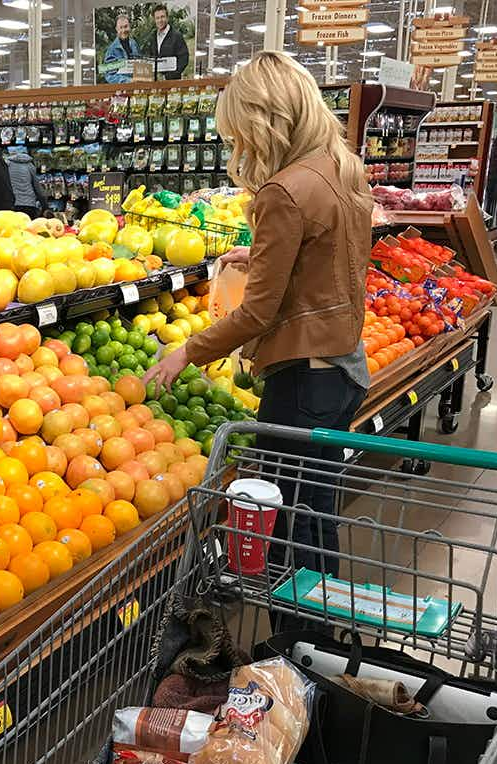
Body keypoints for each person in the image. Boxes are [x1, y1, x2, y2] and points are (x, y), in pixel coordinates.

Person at [144, 51, 372, 577]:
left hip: (302, 379)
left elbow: (256, 313)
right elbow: (335, 257)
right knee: (316, 512)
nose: (238, 146)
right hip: (344, 366)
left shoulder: (283, 190)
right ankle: (316, 634)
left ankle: (296, 645)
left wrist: (186, 353)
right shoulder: (341, 166)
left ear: (265, 121)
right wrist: (266, 257)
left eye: (239, 132)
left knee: (289, 521)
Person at [146, 4, 188, 81]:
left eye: (162, 17)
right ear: (154, 20)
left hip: (173, 82)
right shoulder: (153, 36)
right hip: (155, 82)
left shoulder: (176, 36)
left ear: (167, 17)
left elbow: (184, 59)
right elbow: (150, 56)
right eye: (157, 18)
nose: (160, 20)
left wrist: (168, 77)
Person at [6, 147, 47, 217]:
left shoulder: (7, 164)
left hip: (13, 204)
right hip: (29, 205)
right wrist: (45, 206)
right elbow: (38, 188)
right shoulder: (30, 165)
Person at [103, 14, 139, 84]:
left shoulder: (134, 44)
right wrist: (128, 81)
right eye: (121, 28)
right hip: (122, 91)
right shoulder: (112, 50)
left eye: (126, 26)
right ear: (116, 29)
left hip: (137, 88)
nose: (123, 30)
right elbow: (109, 76)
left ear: (129, 26)